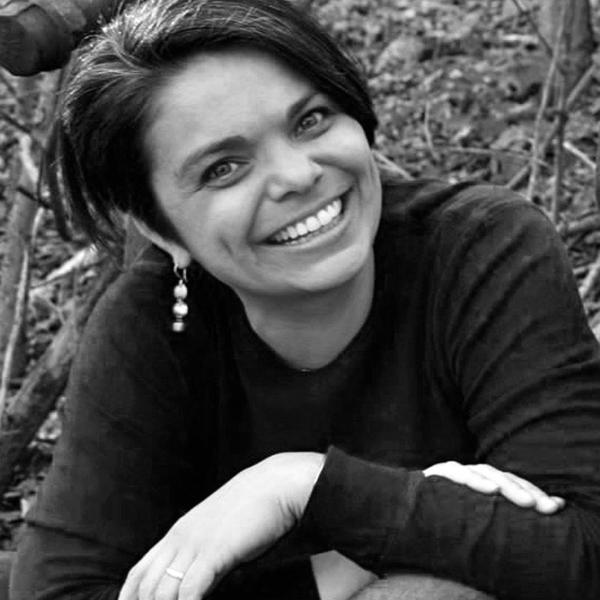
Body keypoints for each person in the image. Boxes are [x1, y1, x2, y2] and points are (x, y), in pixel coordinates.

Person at [9, 0, 600, 598]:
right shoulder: (152, 327)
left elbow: (584, 548)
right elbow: (57, 590)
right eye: (224, 168)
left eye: (311, 120)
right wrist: (346, 563)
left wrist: (300, 485)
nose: (297, 175)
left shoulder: (480, 249)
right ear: (161, 231)